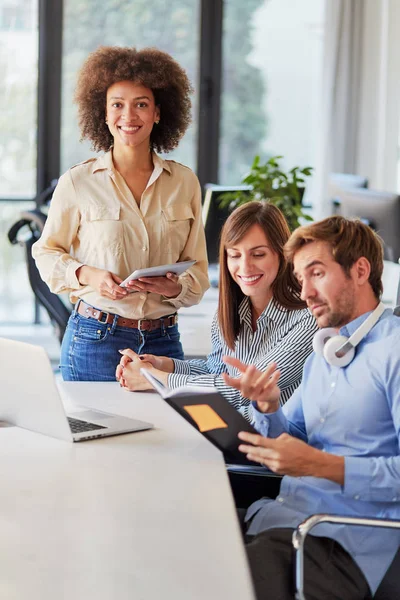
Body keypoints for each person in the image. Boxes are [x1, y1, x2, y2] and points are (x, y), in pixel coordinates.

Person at [222, 215, 400, 599]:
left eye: (316, 274)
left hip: (339, 545)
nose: (304, 293)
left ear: (360, 270)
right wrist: (268, 407)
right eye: (301, 279)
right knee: (173, 540)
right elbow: (292, 438)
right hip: (281, 520)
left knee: (210, 581)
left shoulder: (394, 351)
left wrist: (319, 465)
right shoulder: (325, 351)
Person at [32, 46, 209, 381]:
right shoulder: (78, 181)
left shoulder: (184, 182)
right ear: (104, 112)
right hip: (95, 339)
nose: (129, 116)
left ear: (158, 112)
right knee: (94, 431)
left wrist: (173, 289)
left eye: (141, 104)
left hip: (164, 342)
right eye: (118, 104)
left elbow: (198, 273)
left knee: (167, 433)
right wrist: (89, 275)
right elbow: (45, 252)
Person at [116, 201, 317, 420]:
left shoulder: (308, 317)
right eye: (235, 255)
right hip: (227, 432)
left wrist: (154, 378)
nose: (245, 267)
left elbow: (244, 389)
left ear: (282, 254)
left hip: (276, 444)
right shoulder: (233, 309)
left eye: (258, 254)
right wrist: (165, 365)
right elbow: (217, 372)